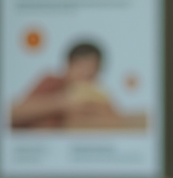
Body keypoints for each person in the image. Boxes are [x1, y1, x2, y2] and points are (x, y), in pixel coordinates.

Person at [9, 41, 146, 131]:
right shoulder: (53, 82)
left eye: (91, 74)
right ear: (68, 66)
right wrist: (62, 102)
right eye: (81, 70)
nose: (84, 77)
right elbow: (13, 112)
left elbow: (117, 121)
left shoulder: (97, 94)